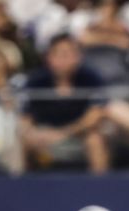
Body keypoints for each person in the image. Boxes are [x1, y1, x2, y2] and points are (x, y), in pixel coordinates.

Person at [20, 34, 110, 172]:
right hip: (45, 136)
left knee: (95, 139)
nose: (64, 59)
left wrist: (64, 133)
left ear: (78, 57)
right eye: (59, 54)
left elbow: (96, 115)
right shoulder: (35, 82)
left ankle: (101, 188)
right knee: (21, 141)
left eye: (69, 54)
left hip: (79, 136)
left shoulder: (91, 78)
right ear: (49, 58)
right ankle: (19, 188)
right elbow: (25, 119)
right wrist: (34, 133)